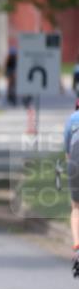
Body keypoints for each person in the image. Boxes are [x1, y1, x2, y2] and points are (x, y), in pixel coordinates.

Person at [63, 99, 79, 276]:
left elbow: (68, 154)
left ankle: (77, 248)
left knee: (76, 207)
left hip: (76, 159)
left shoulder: (72, 119)